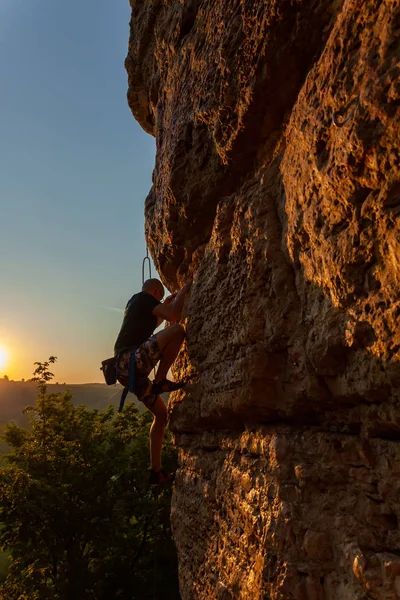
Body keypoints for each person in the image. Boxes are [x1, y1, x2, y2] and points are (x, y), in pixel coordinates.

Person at [114, 278, 191, 484]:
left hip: (128, 370)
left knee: (161, 415)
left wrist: (166, 303)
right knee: (177, 331)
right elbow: (173, 316)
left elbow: (158, 320)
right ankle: (160, 381)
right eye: (159, 296)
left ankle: (155, 472)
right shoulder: (144, 298)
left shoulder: (137, 303)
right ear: (156, 291)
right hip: (129, 361)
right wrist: (184, 288)